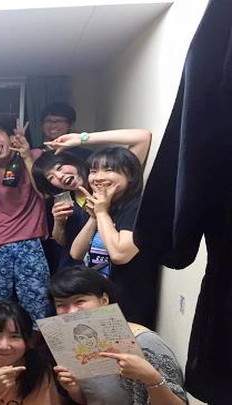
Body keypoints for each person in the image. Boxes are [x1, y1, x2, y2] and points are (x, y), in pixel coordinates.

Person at [46, 130, 157, 327]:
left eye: (108, 170)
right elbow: (76, 253)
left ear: (130, 175)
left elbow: (120, 254)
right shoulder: (105, 206)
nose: (98, 177)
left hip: (128, 305)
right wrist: (95, 216)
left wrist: (80, 139)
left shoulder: (138, 207)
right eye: (93, 171)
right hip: (98, 303)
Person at [50, 266, 188, 405]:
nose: (71, 312)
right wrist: (74, 390)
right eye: (61, 305)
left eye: (80, 301)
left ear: (104, 300)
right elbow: (93, 398)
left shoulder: (145, 341)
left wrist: (151, 378)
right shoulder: (73, 347)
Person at [33, 129, 151, 273]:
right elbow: (68, 247)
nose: (59, 176)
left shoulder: (113, 186)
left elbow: (142, 137)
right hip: (81, 273)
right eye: (51, 178)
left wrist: (81, 138)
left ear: (73, 162)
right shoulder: (64, 202)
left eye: (60, 167)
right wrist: (59, 223)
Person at [0, 121, 51, 321]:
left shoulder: (35, 155)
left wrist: (26, 156)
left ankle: (33, 342)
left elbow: (45, 194)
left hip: (29, 241)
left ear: (10, 137)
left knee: (38, 304)